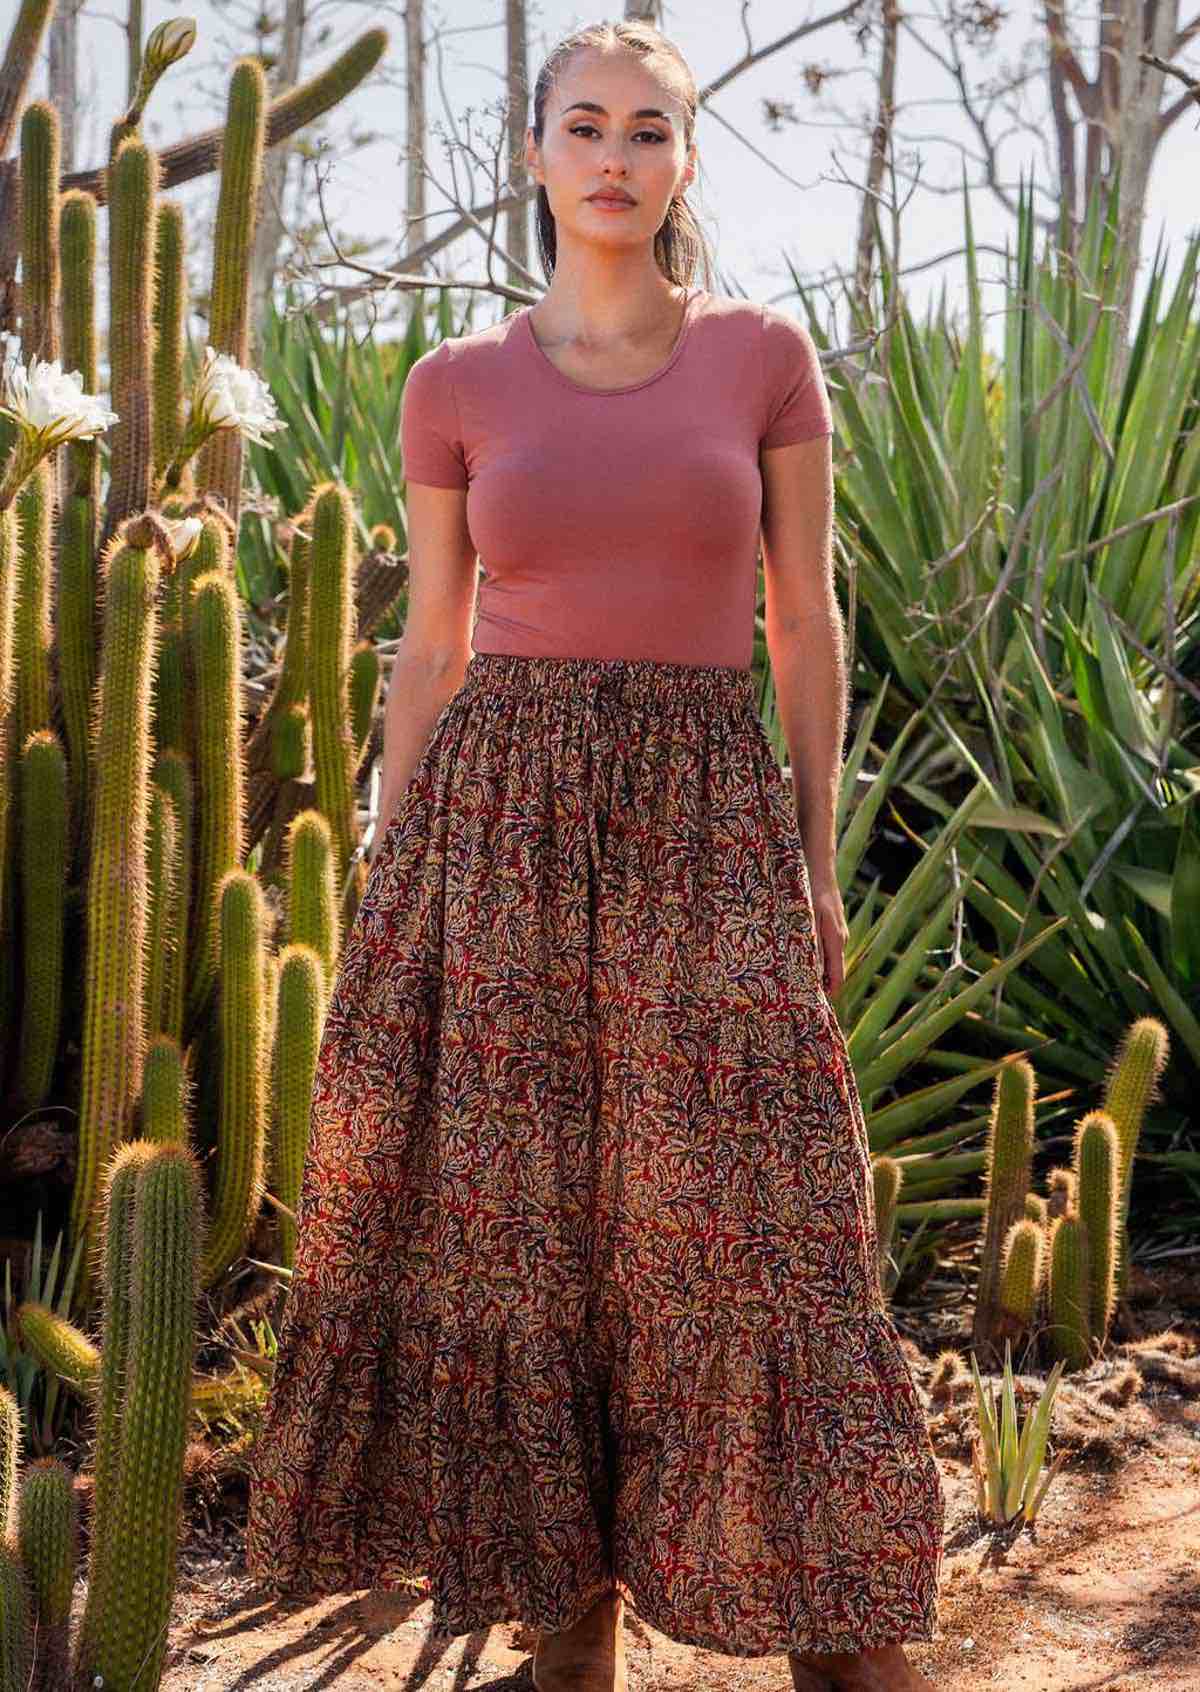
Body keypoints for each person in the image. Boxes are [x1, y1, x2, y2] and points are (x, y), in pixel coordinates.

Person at [245, 18, 944, 1692]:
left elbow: (807, 619)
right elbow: (429, 640)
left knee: (756, 1210)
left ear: (684, 161)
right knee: (529, 1222)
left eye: (649, 128)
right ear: (540, 157)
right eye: (585, 126)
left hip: (707, 814)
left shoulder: (764, 356)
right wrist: (394, 863)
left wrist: (814, 851)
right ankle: (568, 1625)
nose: (617, 154)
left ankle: (837, 1635)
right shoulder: (456, 386)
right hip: (499, 820)